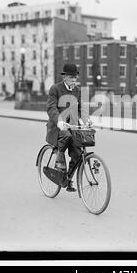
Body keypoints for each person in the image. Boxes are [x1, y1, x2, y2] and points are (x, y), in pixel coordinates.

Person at [46, 63, 90, 192]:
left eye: (75, 77)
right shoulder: (55, 89)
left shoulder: (78, 90)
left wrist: (86, 121)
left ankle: (68, 178)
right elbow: (51, 107)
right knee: (67, 135)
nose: (73, 80)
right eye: (71, 77)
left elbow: (82, 108)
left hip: (73, 126)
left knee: (78, 153)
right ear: (64, 77)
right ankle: (59, 161)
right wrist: (59, 121)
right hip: (58, 128)